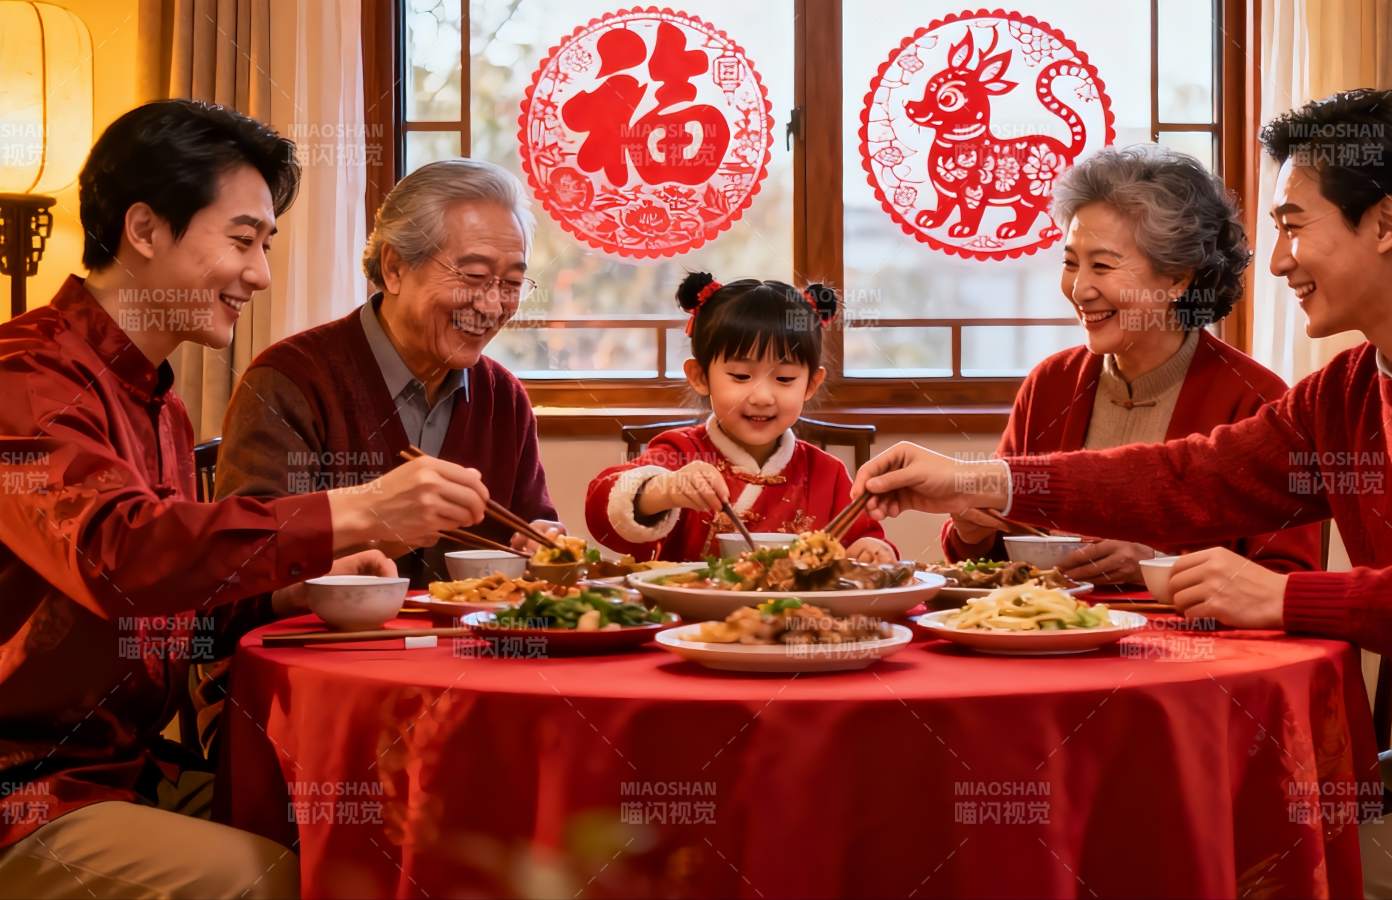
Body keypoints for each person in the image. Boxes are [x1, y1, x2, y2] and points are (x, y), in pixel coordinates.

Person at [851, 89, 1392, 897]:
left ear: (1385, 225)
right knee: (1181, 846)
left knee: (1284, 886)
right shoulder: (1349, 387)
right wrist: (975, 479)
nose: (1275, 261)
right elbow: (1187, 477)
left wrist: (1283, 597)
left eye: (1293, 225)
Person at [0, 100, 490, 896]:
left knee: (382, 832)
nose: (260, 274)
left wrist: (289, 588)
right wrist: (358, 510)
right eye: (242, 240)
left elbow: (166, 607)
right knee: (266, 877)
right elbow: (120, 557)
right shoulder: (23, 377)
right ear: (146, 229)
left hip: (130, 771)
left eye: (265, 244)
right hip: (29, 793)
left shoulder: (160, 400)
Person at [941, 144, 1320, 582]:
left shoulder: (1258, 401)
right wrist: (971, 533)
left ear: (1178, 277)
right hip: (1050, 644)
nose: (1080, 288)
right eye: (1070, 263)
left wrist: (1154, 565)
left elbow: (1286, 578)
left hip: (1196, 648)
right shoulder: (1051, 384)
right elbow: (996, 562)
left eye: (1102, 266)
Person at [216, 158, 562, 586]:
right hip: (325, 646)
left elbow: (532, 527)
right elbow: (240, 571)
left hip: (471, 650)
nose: (492, 306)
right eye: (473, 276)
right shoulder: (290, 381)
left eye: (511, 284)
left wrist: (545, 547)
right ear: (395, 268)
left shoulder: (503, 398)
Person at [586, 273, 896, 562]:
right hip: (691, 619)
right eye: (741, 376)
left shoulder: (827, 474)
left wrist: (870, 551)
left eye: (785, 379)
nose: (762, 397)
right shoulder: (680, 454)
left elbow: (863, 539)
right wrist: (664, 490)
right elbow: (601, 507)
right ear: (699, 376)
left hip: (799, 619)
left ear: (811, 384)